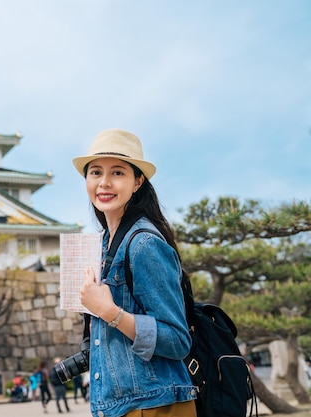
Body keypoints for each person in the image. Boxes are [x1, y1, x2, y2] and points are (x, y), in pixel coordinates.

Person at [74, 129, 197, 417]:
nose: (104, 183)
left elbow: (177, 339)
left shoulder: (144, 244)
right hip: (122, 407)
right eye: (95, 173)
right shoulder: (104, 244)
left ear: (138, 181)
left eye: (117, 173)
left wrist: (109, 312)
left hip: (155, 406)